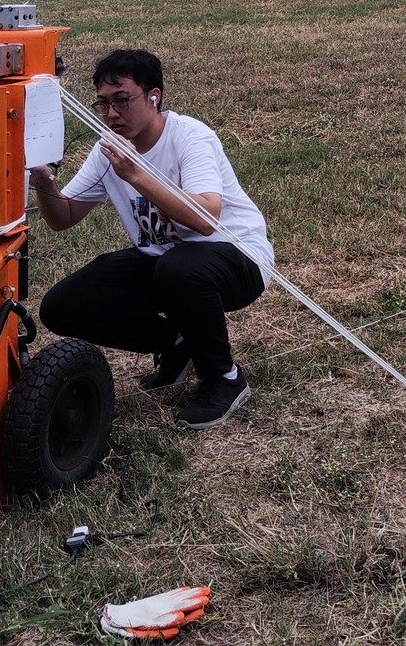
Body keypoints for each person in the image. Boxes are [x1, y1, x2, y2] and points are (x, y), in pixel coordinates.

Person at [29, 49, 273, 430]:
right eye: (104, 104)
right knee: (61, 307)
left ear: (153, 96)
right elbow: (64, 217)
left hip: (237, 257)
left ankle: (223, 379)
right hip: (166, 264)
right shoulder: (108, 149)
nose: (111, 115)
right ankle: (176, 342)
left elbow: (207, 220)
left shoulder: (190, 136)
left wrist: (137, 176)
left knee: (179, 270)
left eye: (122, 101)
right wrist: (44, 184)